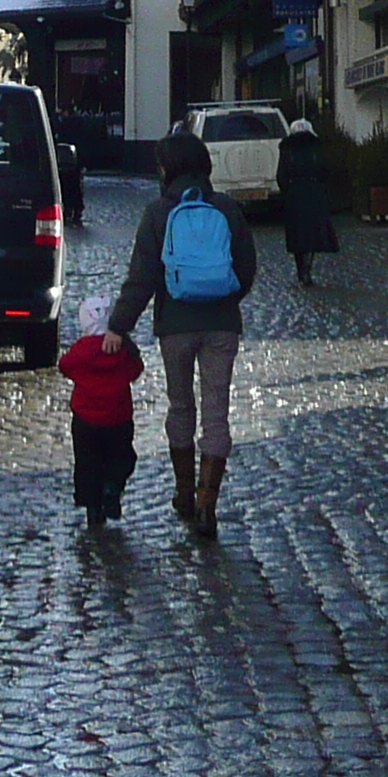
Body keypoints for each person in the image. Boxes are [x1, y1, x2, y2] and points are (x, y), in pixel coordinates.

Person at [108, 129, 257, 541]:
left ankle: (183, 493)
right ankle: (209, 504)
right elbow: (247, 269)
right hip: (222, 323)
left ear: (166, 168)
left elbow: (141, 278)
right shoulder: (227, 209)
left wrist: (118, 326)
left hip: (175, 323)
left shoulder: (158, 213)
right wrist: (223, 297)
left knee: (180, 406)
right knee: (216, 411)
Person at [56, 297, 142, 530]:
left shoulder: (81, 351)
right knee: (121, 457)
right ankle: (112, 488)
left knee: (87, 462)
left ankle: (92, 508)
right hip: (119, 418)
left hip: (86, 420)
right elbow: (136, 369)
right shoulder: (123, 351)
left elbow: (65, 365)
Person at [277, 119, 341, 286]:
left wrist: (287, 192)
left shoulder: (287, 148)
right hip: (313, 192)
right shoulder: (316, 146)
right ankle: (306, 268)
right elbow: (326, 169)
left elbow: (281, 174)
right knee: (312, 232)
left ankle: (301, 269)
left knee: (298, 233)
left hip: (295, 193)